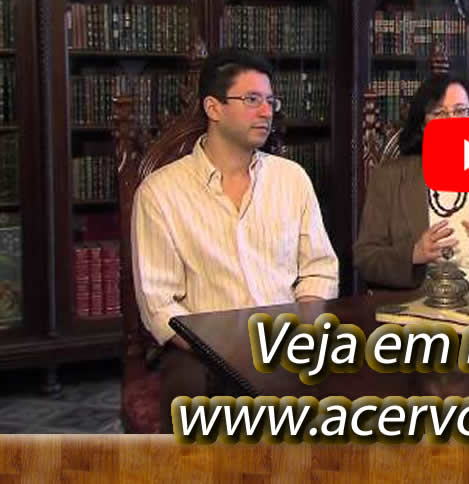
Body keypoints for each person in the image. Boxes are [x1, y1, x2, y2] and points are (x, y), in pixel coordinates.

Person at [131, 50, 339, 430]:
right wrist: (224, 353)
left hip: (285, 340)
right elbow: (159, 305)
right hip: (201, 351)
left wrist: (305, 330)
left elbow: (319, 268)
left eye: (271, 101)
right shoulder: (160, 193)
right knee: (191, 392)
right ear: (213, 107)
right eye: (252, 99)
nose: (266, 112)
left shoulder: (292, 179)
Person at [354, 75, 469, 289]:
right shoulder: (390, 178)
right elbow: (365, 259)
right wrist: (413, 255)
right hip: (416, 301)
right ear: (423, 125)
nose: (452, 122)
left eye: (460, 111)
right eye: (440, 113)